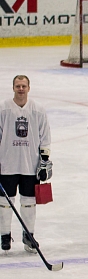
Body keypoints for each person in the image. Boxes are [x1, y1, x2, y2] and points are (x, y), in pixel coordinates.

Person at [0, 75, 51, 253]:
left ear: (29, 88)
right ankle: (5, 235)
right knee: (5, 202)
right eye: (17, 86)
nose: (20, 89)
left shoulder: (37, 110)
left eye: (23, 86)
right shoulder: (3, 109)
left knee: (29, 202)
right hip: (7, 165)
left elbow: (45, 137)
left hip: (30, 165)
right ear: (13, 87)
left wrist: (44, 161)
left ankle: (28, 235)